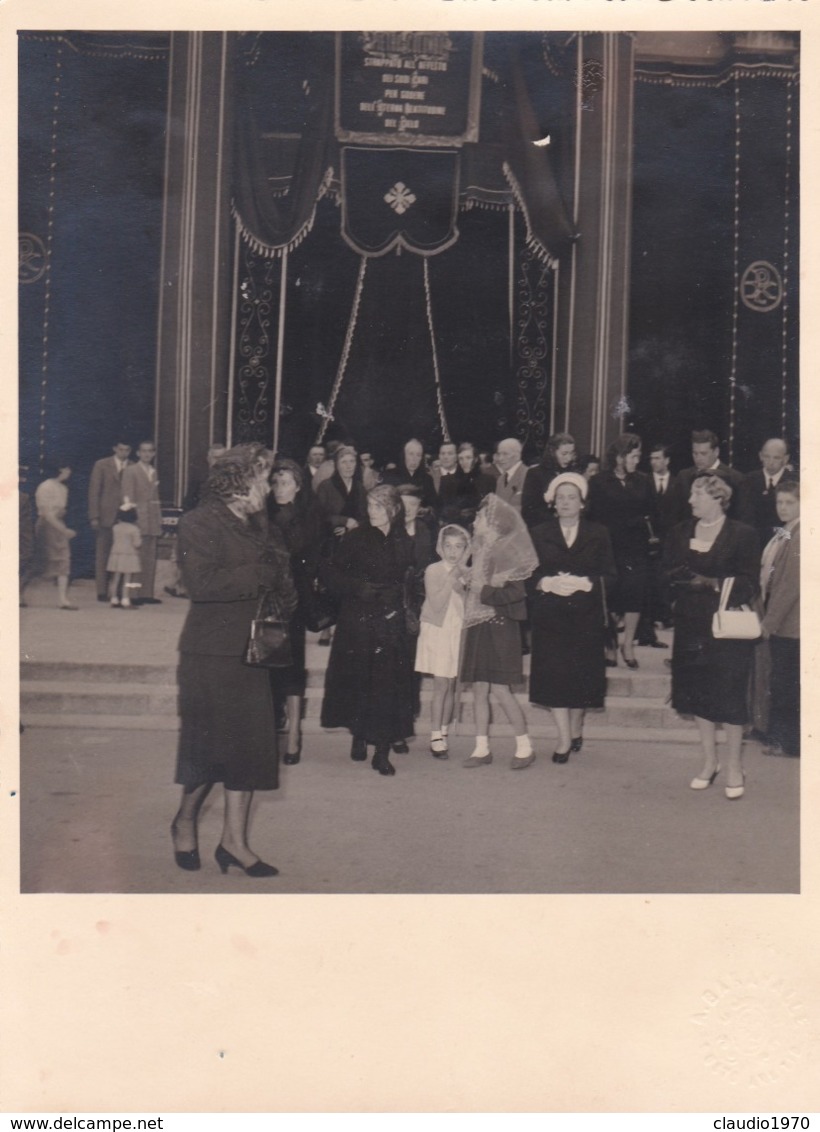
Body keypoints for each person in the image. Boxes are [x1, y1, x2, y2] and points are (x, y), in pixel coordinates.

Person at [171, 446, 297, 877]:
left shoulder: (262, 525)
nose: (270, 486)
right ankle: (185, 819)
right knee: (210, 751)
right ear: (239, 483)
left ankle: (234, 842)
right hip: (210, 653)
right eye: (264, 477)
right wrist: (259, 575)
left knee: (248, 750)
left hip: (254, 650)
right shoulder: (197, 522)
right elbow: (201, 584)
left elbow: (281, 578)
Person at [663, 473, 760, 799]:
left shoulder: (743, 534)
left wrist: (714, 584)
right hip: (691, 624)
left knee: (730, 697)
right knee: (698, 694)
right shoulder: (680, 532)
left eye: (697, 495)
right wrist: (687, 582)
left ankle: (733, 766)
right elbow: (670, 571)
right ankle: (709, 763)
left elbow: (750, 582)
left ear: (718, 498)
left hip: (727, 626)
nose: (691, 501)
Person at [320, 484, 416, 776]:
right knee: (361, 680)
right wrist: (358, 588)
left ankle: (382, 751)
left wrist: (403, 602)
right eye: (370, 505)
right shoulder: (355, 537)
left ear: (394, 509)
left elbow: (410, 580)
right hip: (358, 619)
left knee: (388, 684)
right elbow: (330, 573)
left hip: (390, 621)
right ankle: (359, 735)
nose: (372, 511)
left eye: (379, 506)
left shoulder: (404, 540)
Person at [527, 473, 617, 762]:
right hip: (550, 618)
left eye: (572, 497)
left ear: (582, 503)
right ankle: (564, 739)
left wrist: (587, 583)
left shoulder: (598, 533)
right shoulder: (539, 533)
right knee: (555, 677)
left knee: (580, 678)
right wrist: (545, 583)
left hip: (585, 617)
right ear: (553, 502)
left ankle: (576, 727)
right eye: (561, 497)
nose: (565, 502)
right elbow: (526, 573)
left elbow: (611, 575)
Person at [460, 494, 539, 769]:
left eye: (479, 517)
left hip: (500, 628)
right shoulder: (480, 549)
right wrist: (469, 581)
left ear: (493, 522)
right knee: (480, 689)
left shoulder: (506, 552)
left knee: (501, 689)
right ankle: (481, 748)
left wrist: (484, 590)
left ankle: (524, 746)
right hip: (479, 626)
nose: (474, 521)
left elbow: (516, 593)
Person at [267, 458, 324, 766]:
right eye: (275, 482)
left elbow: (305, 554)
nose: (278, 487)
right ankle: (270, 729)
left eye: (285, 482)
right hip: (266, 600)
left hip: (295, 601)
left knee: (291, 666)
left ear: (298, 486)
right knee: (268, 663)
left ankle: (294, 737)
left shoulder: (308, 516)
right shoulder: (263, 513)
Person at [588, 433, 655, 669]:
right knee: (610, 597)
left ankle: (629, 644)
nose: (637, 461)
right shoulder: (598, 482)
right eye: (633, 456)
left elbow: (652, 511)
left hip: (635, 547)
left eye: (638, 456)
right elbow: (591, 517)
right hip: (608, 548)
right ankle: (610, 645)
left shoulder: (644, 481)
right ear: (619, 457)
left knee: (634, 595)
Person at [415, 524, 472, 759]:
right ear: (440, 547)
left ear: (466, 549)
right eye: (448, 546)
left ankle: (444, 731)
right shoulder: (434, 570)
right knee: (440, 684)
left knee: (450, 683)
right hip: (437, 630)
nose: (453, 551)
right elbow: (437, 603)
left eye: (459, 547)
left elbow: (469, 605)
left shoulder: (468, 572)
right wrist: (454, 576)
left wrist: (465, 579)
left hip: (457, 630)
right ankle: (435, 733)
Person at [760, 480, 800, 758]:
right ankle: (784, 739)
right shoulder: (786, 532)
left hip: (792, 625)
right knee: (784, 681)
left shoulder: (800, 535)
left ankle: (788, 741)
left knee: (786, 683)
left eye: (790, 503)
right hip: (786, 622)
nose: (783, 508)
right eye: (779, 502)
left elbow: (789, 585)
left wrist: (769, 623)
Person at [88, 440, 132, 602]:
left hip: (126, 518)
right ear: (114, 449)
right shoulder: (101, 465)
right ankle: (101, 591)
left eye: (127, 449)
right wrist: (94, 516)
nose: (124, 453)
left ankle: (119, 591)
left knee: (123, 556)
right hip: (106, 517)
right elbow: (94, 492)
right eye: (121, 449)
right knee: (103, 554)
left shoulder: (133, 466)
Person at [121, 440, 163, 605]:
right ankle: (132, 594)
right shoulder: (130, 471)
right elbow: (127, 496)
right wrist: (131, 518)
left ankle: (146, 593)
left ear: (153, 453)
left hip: (152, 519)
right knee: (135, 558)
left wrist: (158, 518)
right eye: (143, 451)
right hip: (138, 518)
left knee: (149, 557)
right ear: (138, 453)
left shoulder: (153, 471)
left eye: (150, 451)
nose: (147, 454)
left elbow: (155, 498)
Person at [34, 460, 77, 610]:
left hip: (58, 524)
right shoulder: (45, 487)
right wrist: (62, 529)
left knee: (63, 560)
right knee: (38, 561)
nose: (69, 471)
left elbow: (59, 510)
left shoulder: (63, 488)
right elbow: (46, 514)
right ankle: (18, 592)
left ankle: (62, 599)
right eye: (67, 468)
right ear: (60, 469)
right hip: (48, 526)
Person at [673, 430, 744, 521]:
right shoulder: (683, 476)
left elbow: (741, 517)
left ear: (716, 452)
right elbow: (676, 515)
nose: (698, 458)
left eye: (703, 453)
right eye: (695, 453)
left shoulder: (736, 478)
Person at [737, 438, 794, 549]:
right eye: (767, 457)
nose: (771, 462)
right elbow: (744, 516)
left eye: (776, 458)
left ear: (785, 459)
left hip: (783, 545)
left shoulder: (794, 482)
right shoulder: (748, 480)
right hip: (753, 544)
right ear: (760, 456)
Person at [521, 432, 578, 528]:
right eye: (564, 454)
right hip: (544, 529)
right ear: (552, 452)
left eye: (571, 453)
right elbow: (529, 510)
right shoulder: (536, 473)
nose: (568, 458)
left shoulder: (573, 474)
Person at [315, 444, 369, 535]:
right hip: (330, 536)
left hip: (355, 534)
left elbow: (365, 515)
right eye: (344, 462)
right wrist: (345, 521)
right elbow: (319, 515)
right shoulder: (326, 486)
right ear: (337, 465)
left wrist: (354, 526)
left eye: (352, 461)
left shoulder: (360, 487)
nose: (349, 466)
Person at [106, 503, 142, 609]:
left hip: (116, 555)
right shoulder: (134, 529)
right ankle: (125, 599)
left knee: (115, 578)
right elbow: (137, 543)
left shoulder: (115, 528)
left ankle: (113, 598)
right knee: (127, 579)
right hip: (129, 556)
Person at [383, 438, 437, 507]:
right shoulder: (389, 476)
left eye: (418, 455)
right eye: (411, 454)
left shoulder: (427, 479)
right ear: (404, 455)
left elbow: (433, 505)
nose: (414, 459)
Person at [492, 437, 528, 511]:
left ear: (517, 456)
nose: (500, 458)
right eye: (499, 454)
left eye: (505, 454)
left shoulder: (528, 475)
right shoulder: (501, 479)